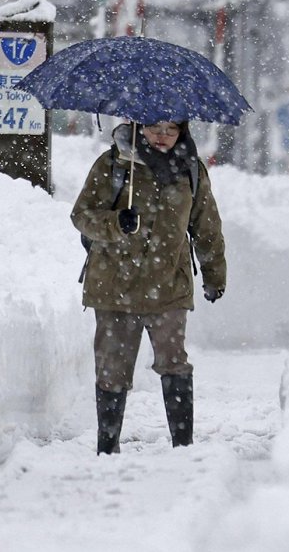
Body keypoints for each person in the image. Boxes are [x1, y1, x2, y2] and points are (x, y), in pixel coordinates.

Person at [71, 119, 227, 454]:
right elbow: (81, 215)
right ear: (139, 126)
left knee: (175, 363)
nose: (162, 136)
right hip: (114, 287)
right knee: (112, 370)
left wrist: (215, 275)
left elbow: (206, 225)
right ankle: (107, 447)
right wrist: (115, 223)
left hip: (169, 285)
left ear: (181, 132)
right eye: (155, 127)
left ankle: (183, 446)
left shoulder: (191, 170)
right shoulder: (113, 164)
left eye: (171, 130)